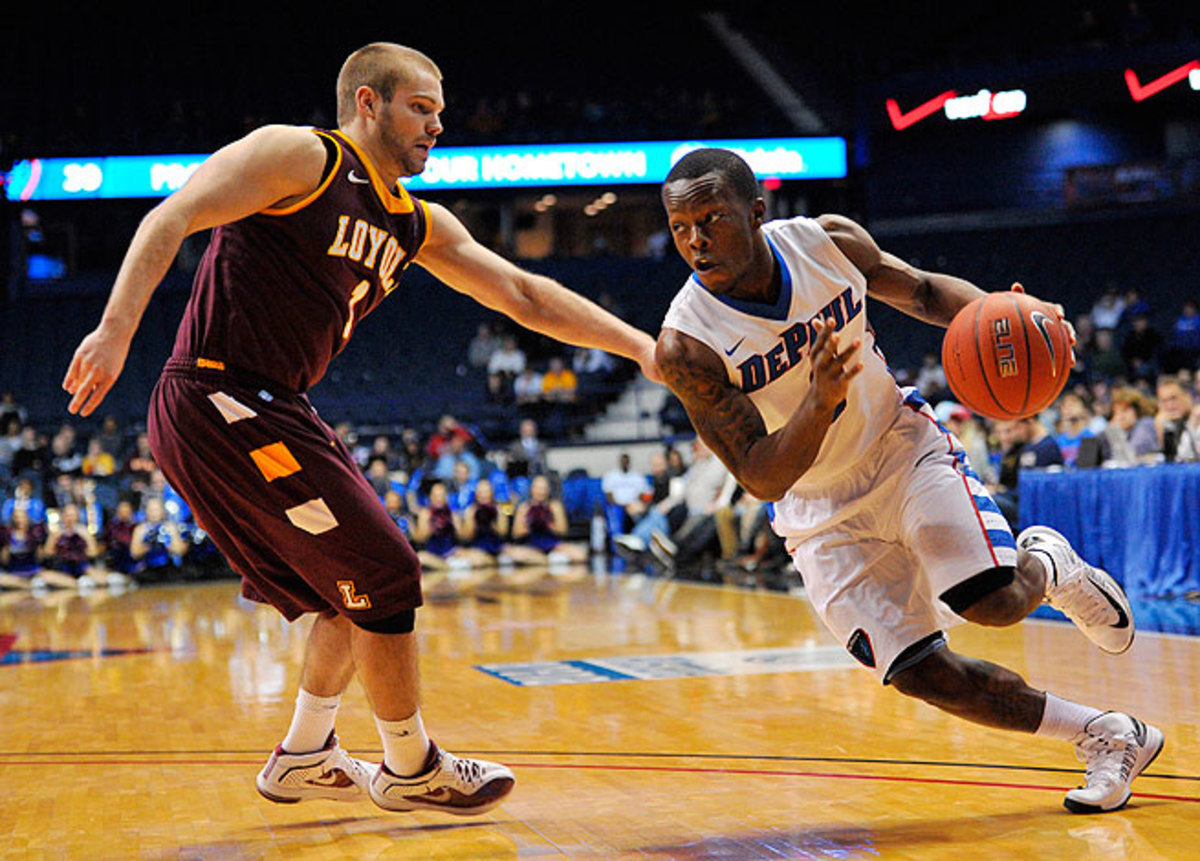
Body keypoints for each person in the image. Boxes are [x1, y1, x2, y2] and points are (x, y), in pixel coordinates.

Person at [62, 42, 657, 816]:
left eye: (441, 112)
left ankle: (304, 753)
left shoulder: (413, 220)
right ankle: (411, 764)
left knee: (348, 598)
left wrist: (642, 348)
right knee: (387, 570)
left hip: (273, 403)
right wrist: (114, 330)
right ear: (368, 103)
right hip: (220, 392)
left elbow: (522, 293)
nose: (437, 126)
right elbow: (170, 215)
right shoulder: (303, 158)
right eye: (420, 108)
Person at [652, 147, 1160, 814]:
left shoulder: (826, 243)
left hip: (899, 448)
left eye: (711, 219)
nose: (695, 240)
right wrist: (818, 402)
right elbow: (760, 474)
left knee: (995, 603)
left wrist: (1015, 315)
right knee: (923, 673)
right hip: (815, 509)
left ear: (755, 213)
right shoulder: (685, 346)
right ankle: (1106, 733)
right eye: (680, 227)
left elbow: (919, 291)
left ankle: (1048, 564)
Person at [511, 475, 588, 563]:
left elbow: (563, 530)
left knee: (581, 555)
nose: (541, 492)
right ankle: (545, 560)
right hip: (531, 545)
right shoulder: (524, 507)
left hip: (552, 544)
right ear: (532, 489)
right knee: (516, 555)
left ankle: (542, 560)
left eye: (543, 488)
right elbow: (516, 533)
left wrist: (548, 524)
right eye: (538, 488)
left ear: (548, 490)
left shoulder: (555, 506)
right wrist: (532, 524)